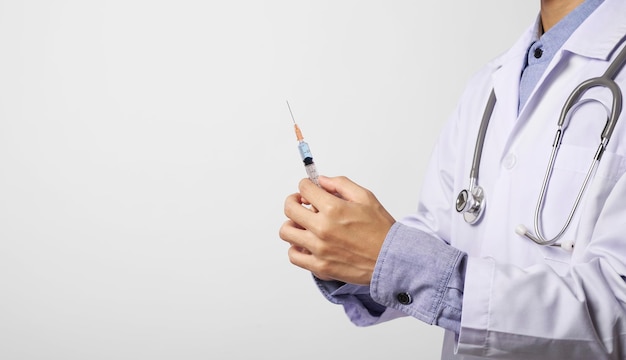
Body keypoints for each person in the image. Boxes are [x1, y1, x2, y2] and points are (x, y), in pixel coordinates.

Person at [279, 0, 626, 358]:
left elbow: (619, 314)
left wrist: (394, 259)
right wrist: (349, 252)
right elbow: (442, 241)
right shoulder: (488, 87)